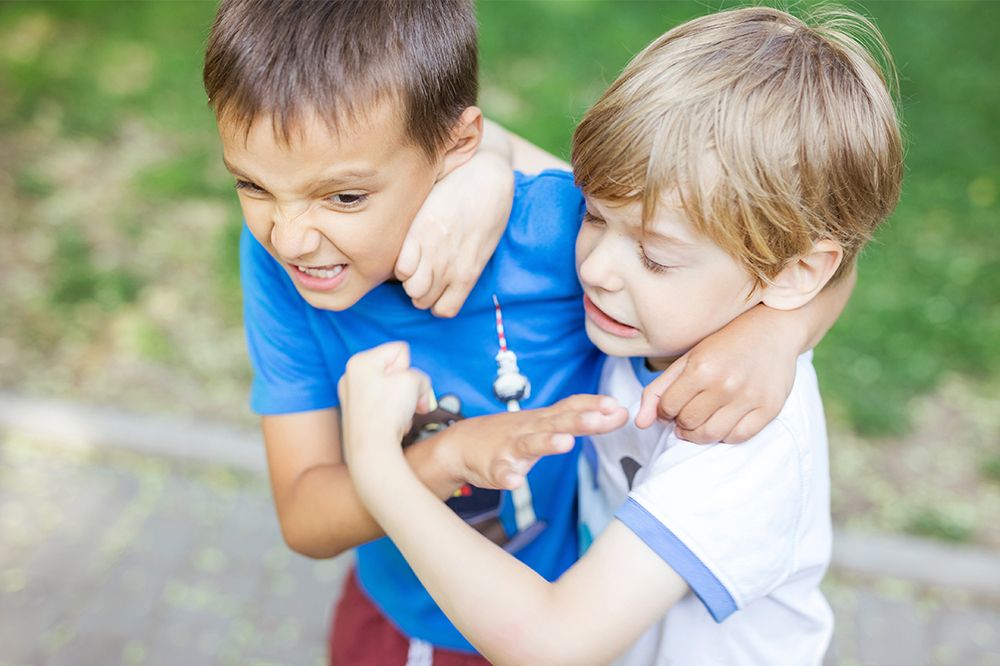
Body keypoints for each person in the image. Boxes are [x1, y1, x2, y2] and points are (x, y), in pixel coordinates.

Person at [203, 1, 855, 663]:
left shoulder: (575, 239)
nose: (289, 236)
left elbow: (796, 256)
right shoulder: (278, 263)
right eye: (251, 186)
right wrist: (445, 458)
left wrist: (782, 328)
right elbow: (305, 515)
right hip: (402, 618)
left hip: (539, 620)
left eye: (343, 197)